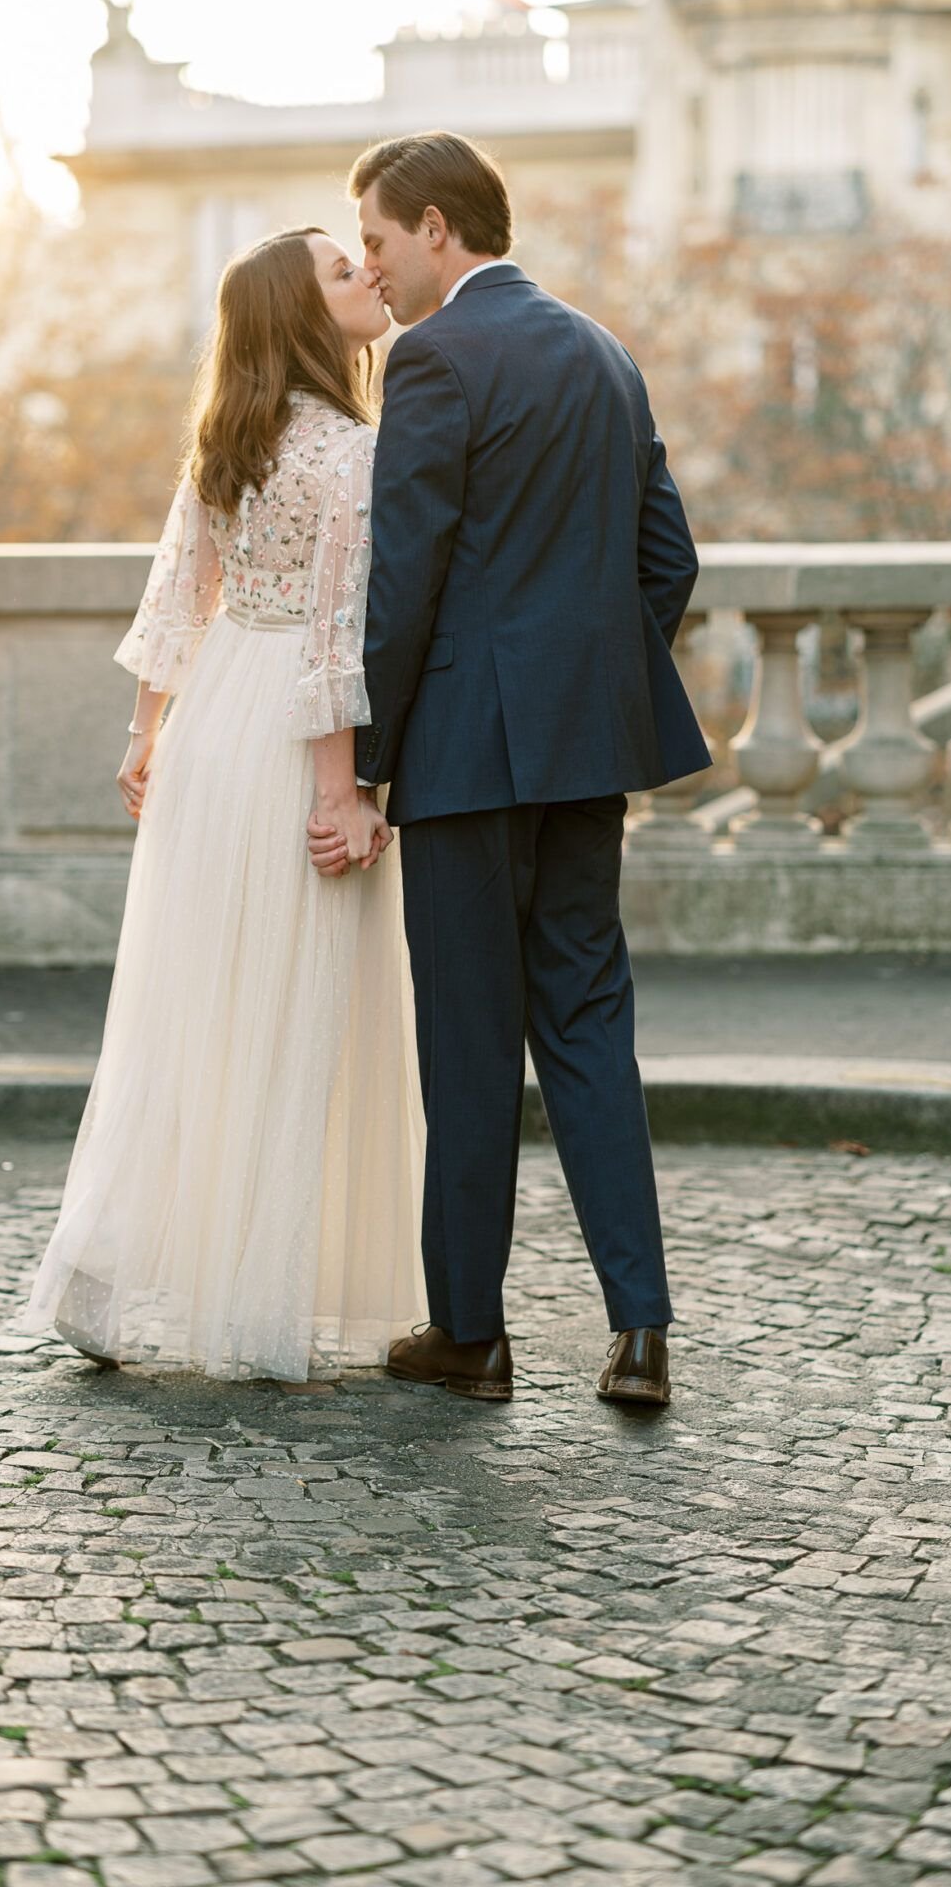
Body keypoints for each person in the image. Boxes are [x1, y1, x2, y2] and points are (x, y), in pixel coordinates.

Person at [309, 132, 710, 1409]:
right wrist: (590, 675)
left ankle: (471, 1333)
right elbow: (668, 556)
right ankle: (639, 1330)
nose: (370, 269)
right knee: (590, 1023)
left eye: (374, 239)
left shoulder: (436, 357)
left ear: (437, 228)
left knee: (472, 1041)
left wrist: (368, 762)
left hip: (471, 755)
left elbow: (406, 577)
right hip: (590, 745)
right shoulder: (605, 350)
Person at [19, 228, 427, 1380]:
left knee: (186, 1004)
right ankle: (255, 1301)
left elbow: (178, 599)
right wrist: (342, 791)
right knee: (290, 1007)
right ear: (305, 318)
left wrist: (147, 733)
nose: (367, 277)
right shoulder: (352, 453)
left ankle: (100, 1276)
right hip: (292, 737)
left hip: (212, 724)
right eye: (344, 272)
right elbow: (337, 640)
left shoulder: (226, 439)